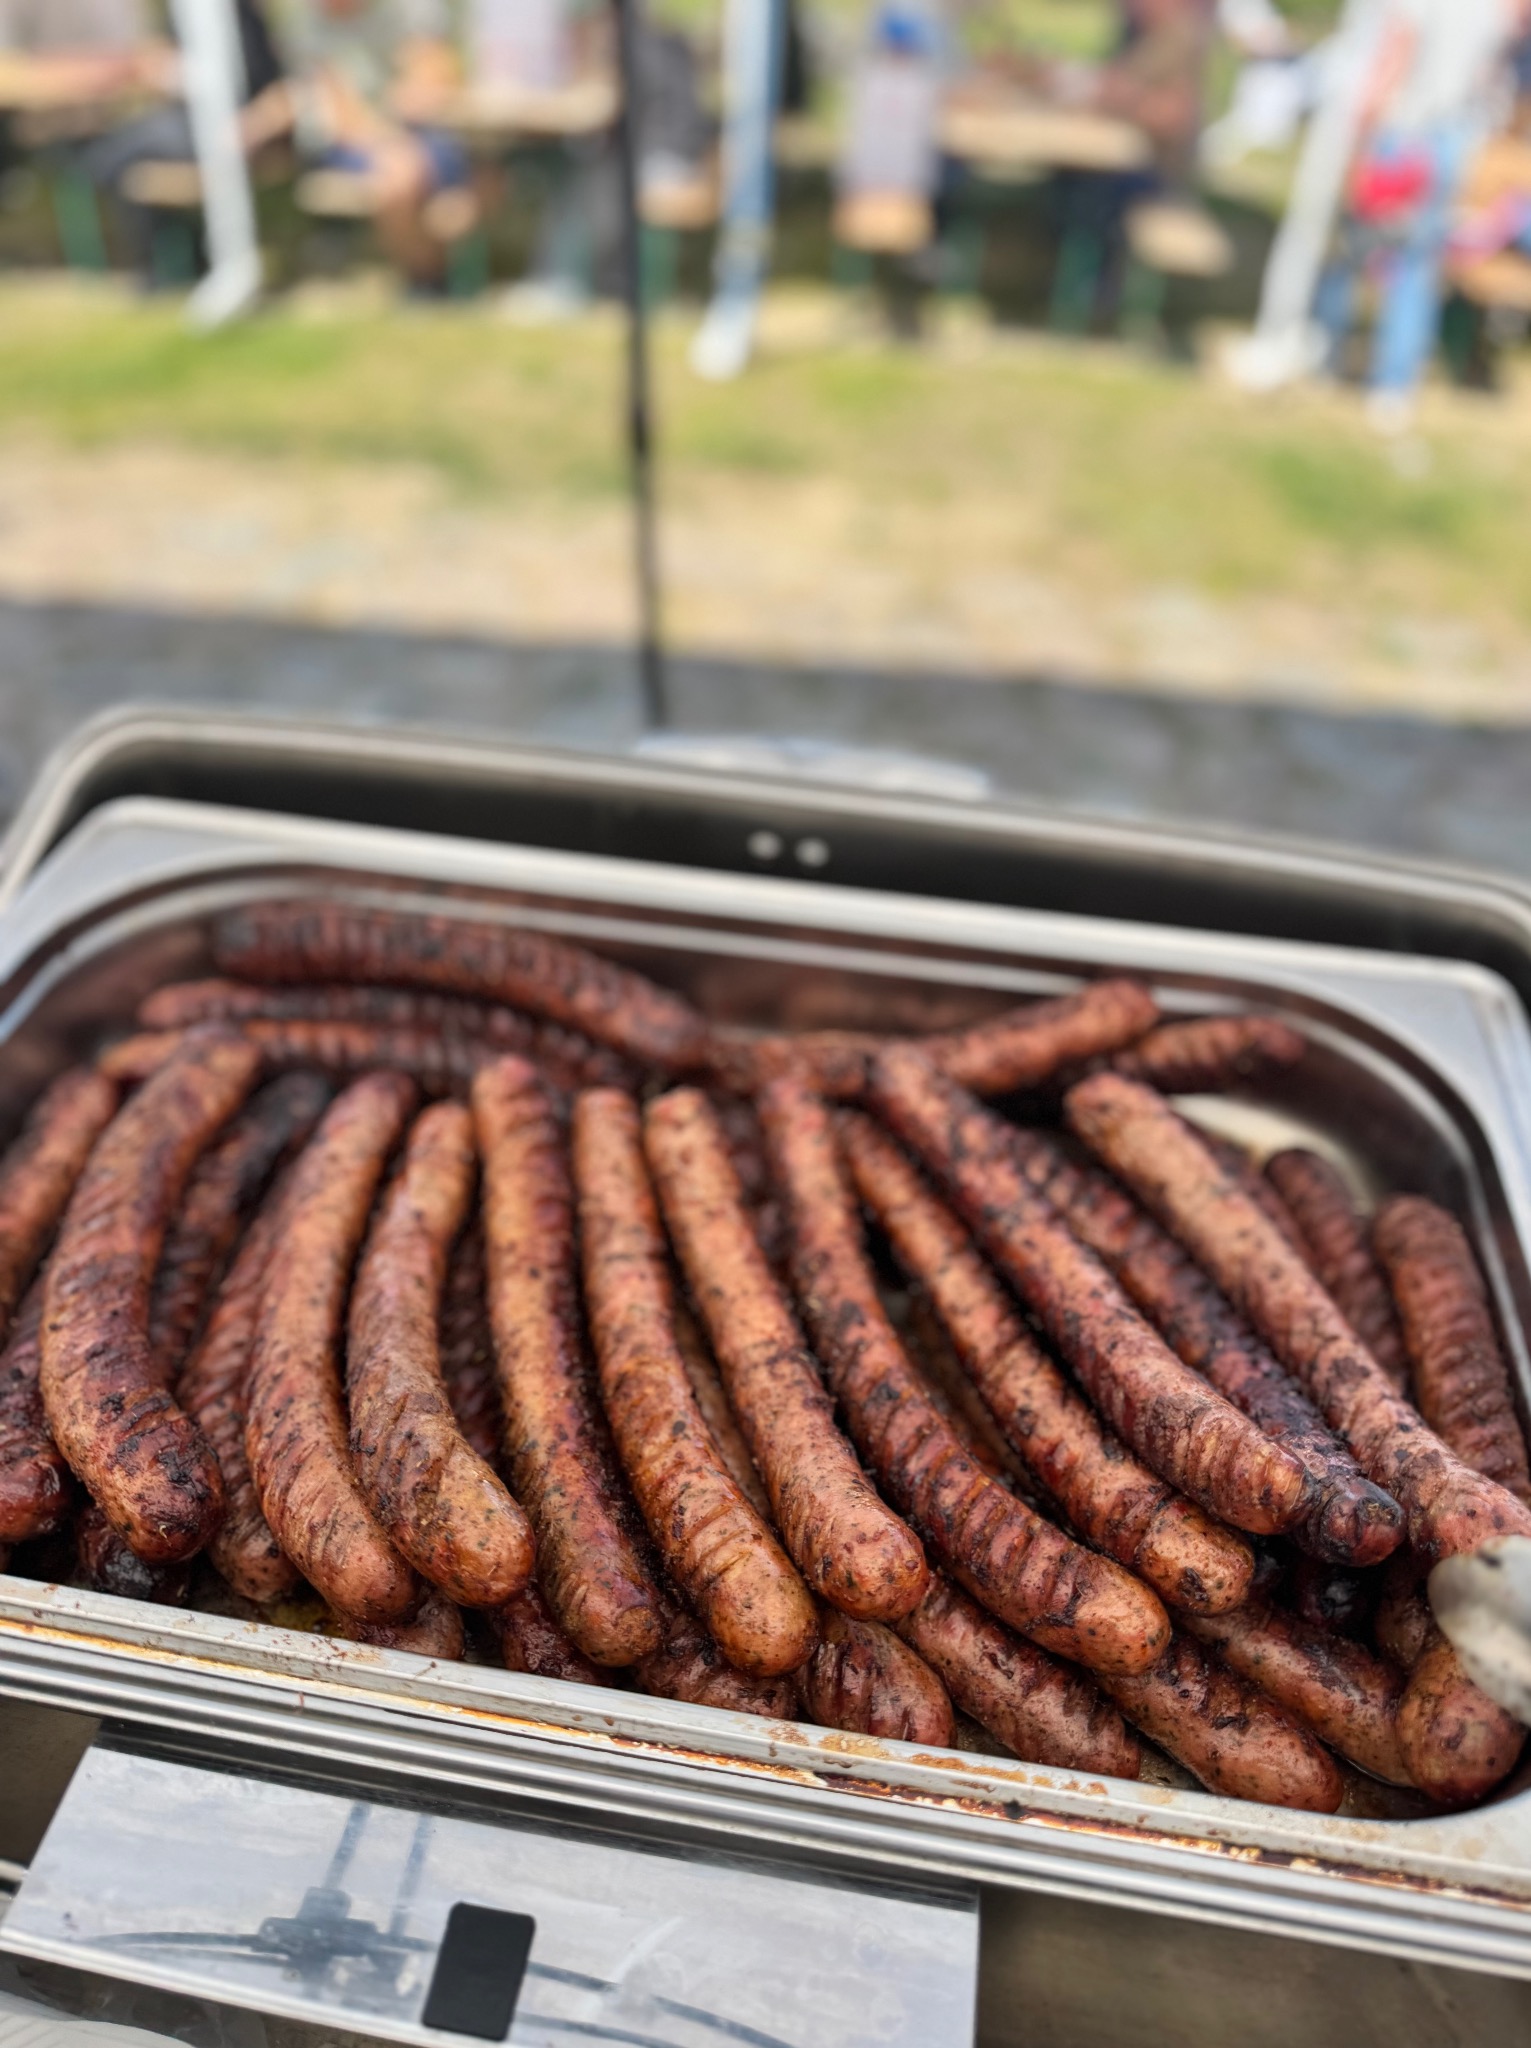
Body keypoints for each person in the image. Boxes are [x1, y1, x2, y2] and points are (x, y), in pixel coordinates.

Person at [1315, 0, 1525, 425]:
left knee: (1354, 248)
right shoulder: (1489, 11)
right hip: (1454, 138)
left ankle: (1328, 354)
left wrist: (1365, 122)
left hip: (1403, 131)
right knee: (1418, 263)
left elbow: (1398, 51)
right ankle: (1395, 383)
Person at [80, 0, 291, 284]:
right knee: (130, 164)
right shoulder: (188, 14)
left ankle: (169, 262)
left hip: (232, 132)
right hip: (191, 121)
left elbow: (270, 86)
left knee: (112, 157)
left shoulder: (242, 20)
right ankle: (167, 261)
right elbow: (156, 62)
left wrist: (254, 124)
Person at [286, 0, 471, 287]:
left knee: (477, 184)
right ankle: (428, 280)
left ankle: (443, 278)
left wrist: (413, 96)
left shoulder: (412, 9)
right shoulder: (307, 24)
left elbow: (436, 75)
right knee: (397, 179)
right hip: (351, 145)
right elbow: (339, 117)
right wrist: (389, 136)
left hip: (425, 131)